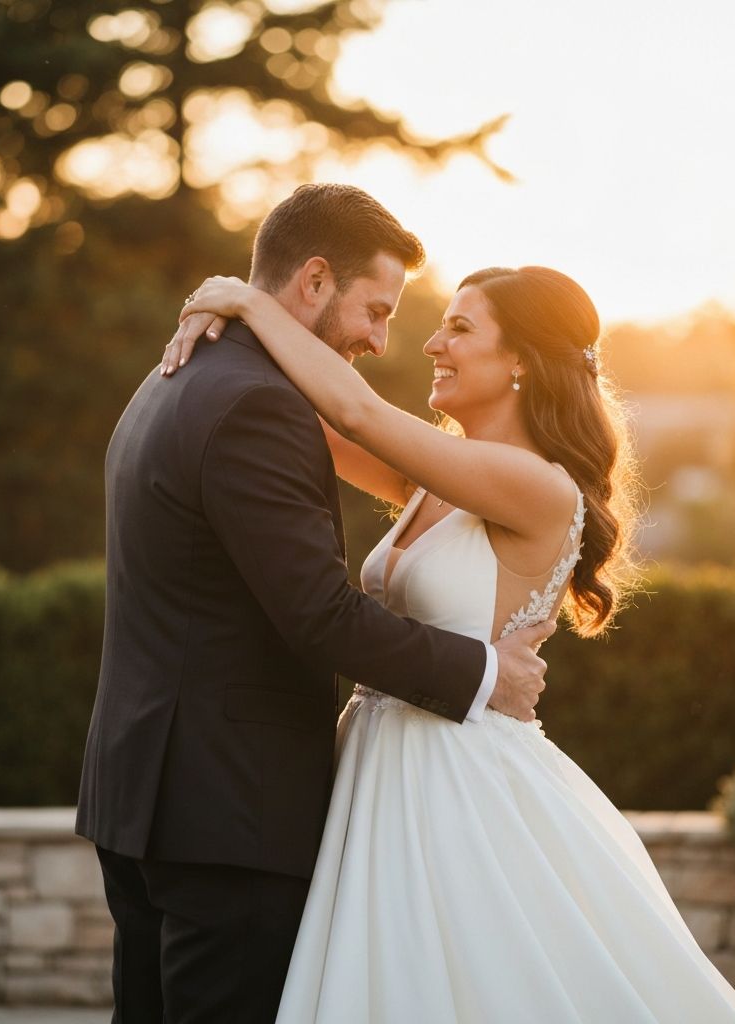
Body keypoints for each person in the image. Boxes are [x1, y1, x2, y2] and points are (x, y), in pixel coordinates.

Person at [166, 265, 735, 1022]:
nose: (432, 343)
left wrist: (248, 300)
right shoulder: (434, 478)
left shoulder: (539, 486)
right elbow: (309, 419)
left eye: (460, 328)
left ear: (521, 361)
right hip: (375, 766)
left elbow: (353, 410)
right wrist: (227, 340)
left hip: (455, 783)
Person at [74, 184, 554, 1024]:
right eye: (377, 310)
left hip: (146, 796)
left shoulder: (175, 375)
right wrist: (486, 673)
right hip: (229, 813)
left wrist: (243, 304)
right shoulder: (256, 401)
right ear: (316, 279)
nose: (383, 338)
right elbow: (320, 616)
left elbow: (358, 423)